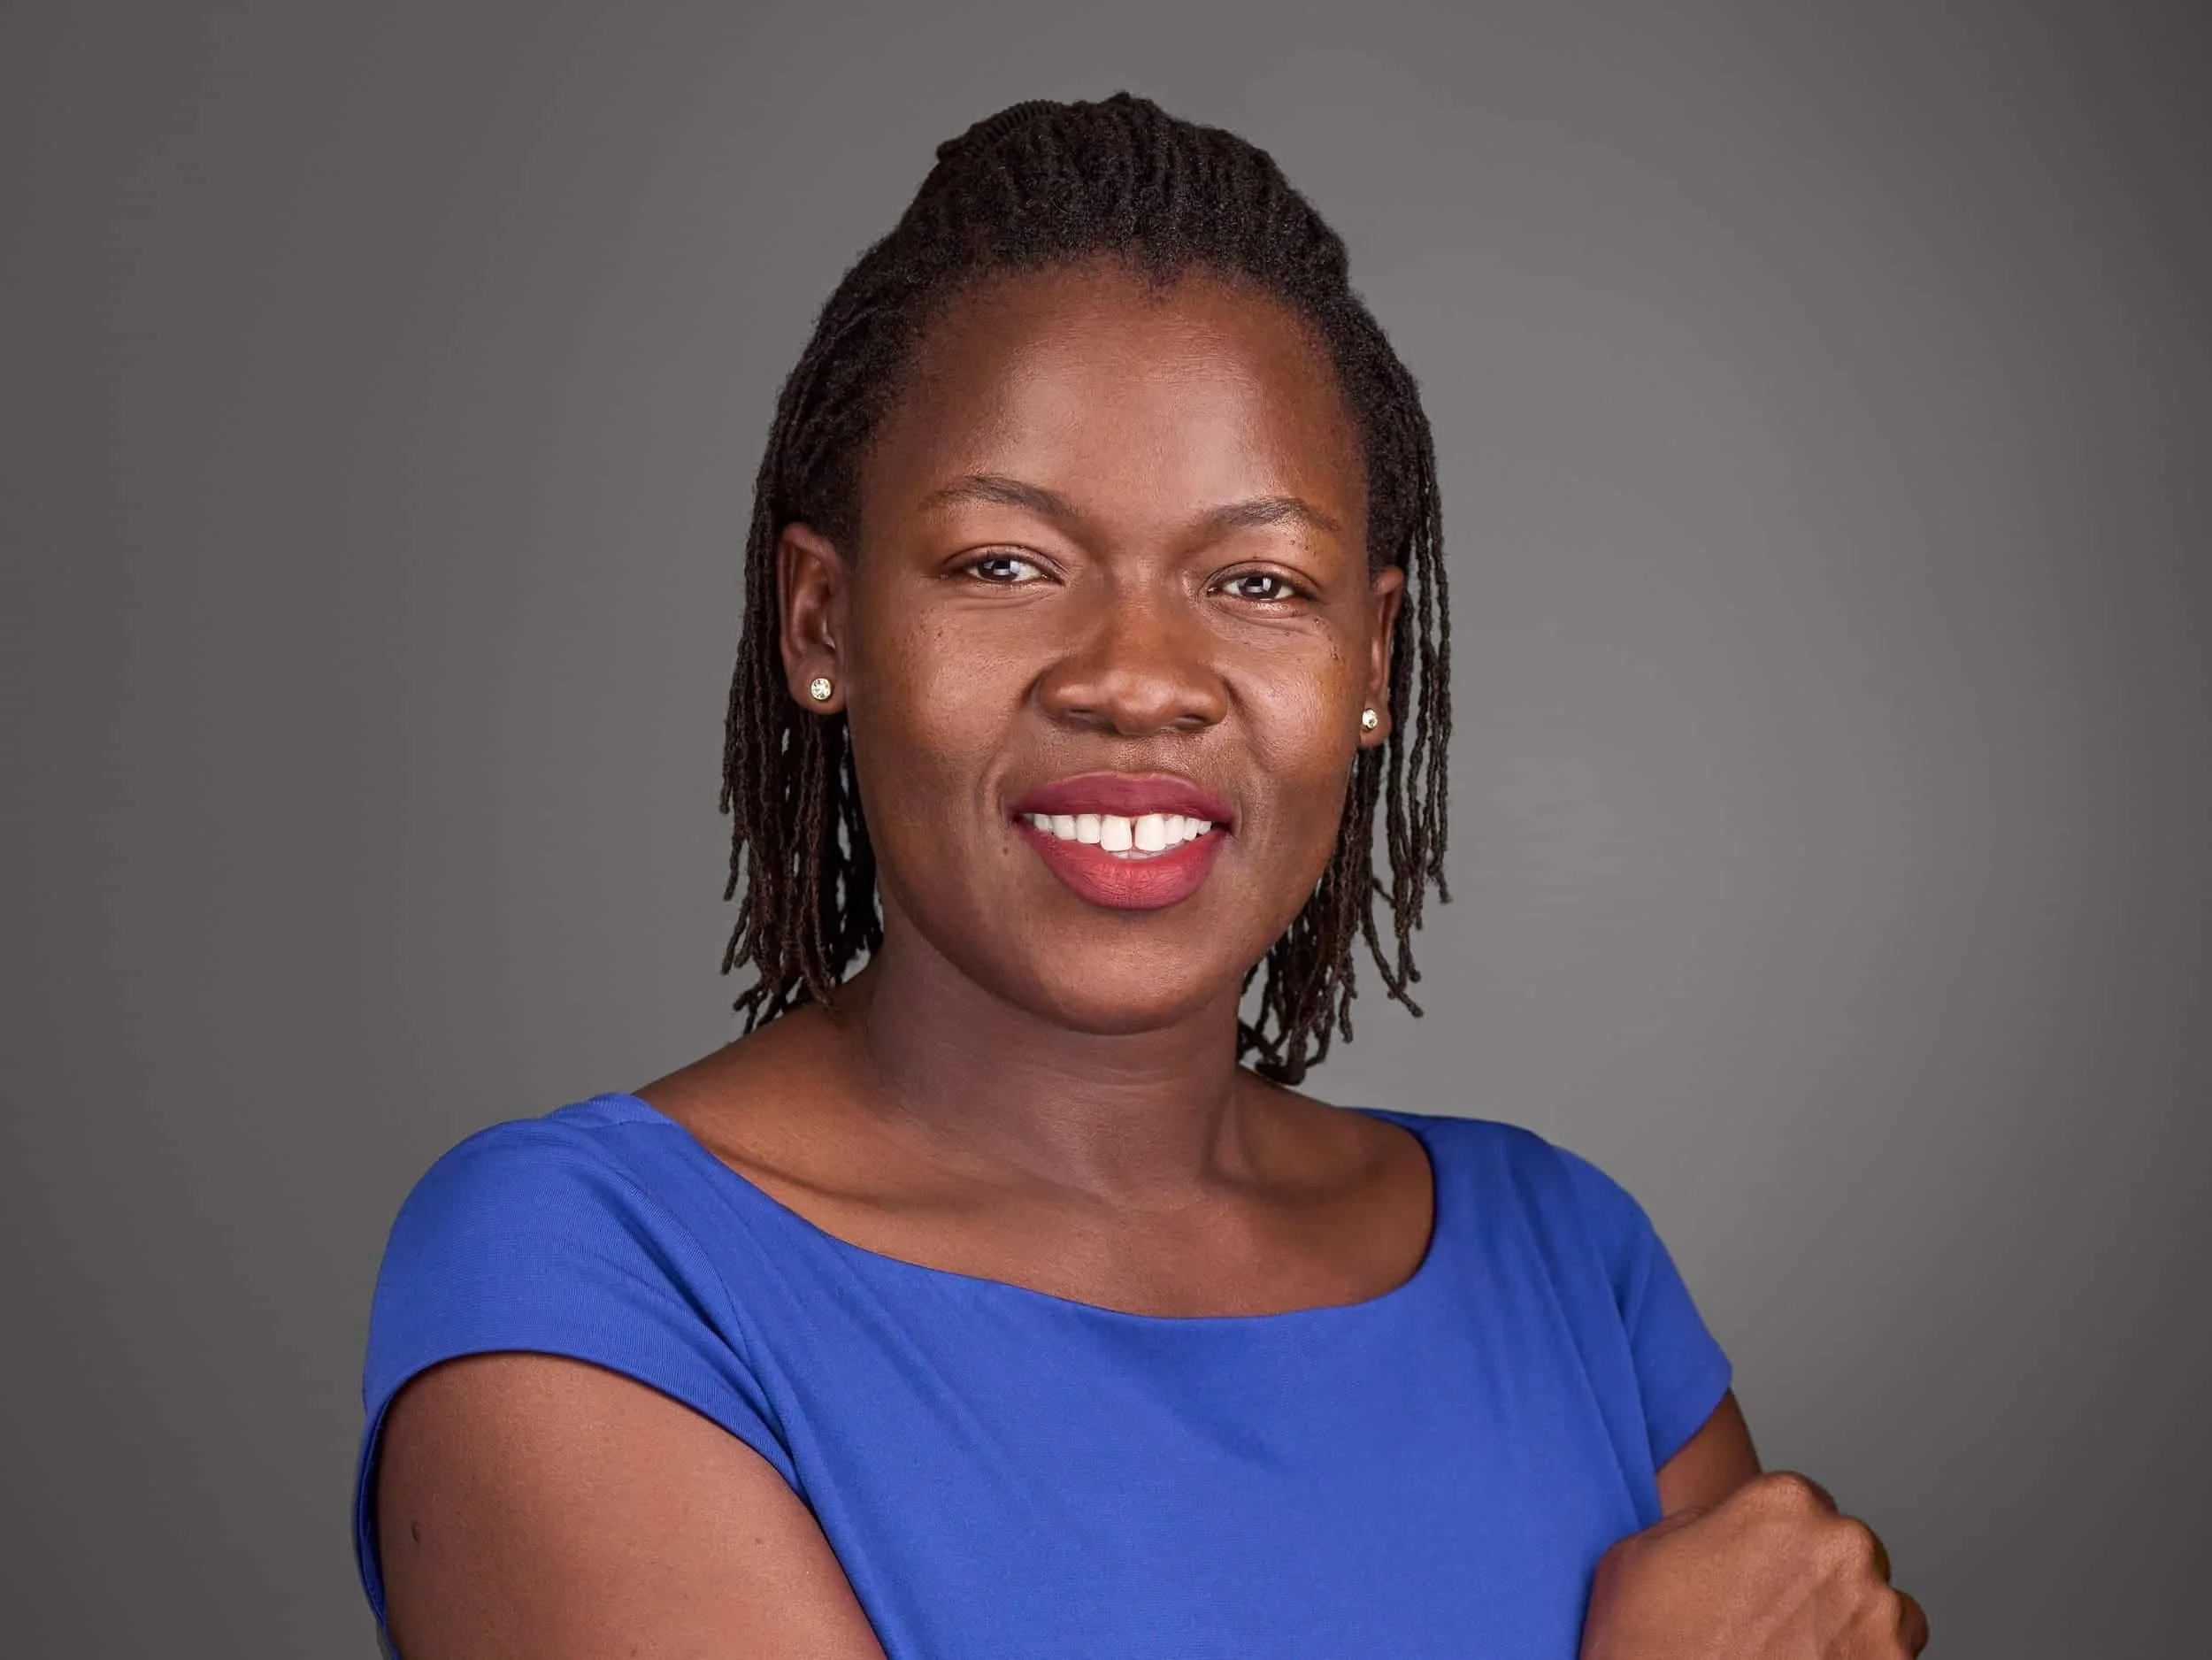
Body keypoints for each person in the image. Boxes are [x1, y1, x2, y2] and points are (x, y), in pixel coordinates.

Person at [354, 93, 1928, 1659]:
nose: (1138, 678)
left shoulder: (1568, 1267)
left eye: (1258, 582)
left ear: (1371, 664)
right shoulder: (598, 1275)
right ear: (822, 622)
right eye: (1006, 565)